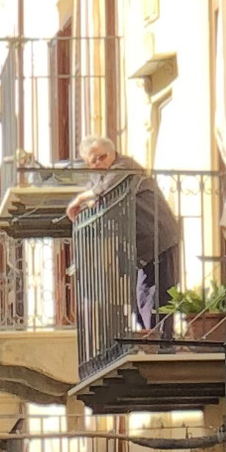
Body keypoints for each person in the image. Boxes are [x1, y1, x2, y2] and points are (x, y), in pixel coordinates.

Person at [76, 139, 184, 329]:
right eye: (94, 160)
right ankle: (151, 336)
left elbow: (104, 190)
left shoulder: (125, 166)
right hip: (139, 245)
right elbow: (94, 195)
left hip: (157, 236)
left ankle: (162, 343)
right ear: (87, 162)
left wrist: (79, 200)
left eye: (103, 157)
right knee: (140, 294)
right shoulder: (98, 177)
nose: (99, 163)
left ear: (112, 153)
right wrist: (86, 201)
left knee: (157, 292)